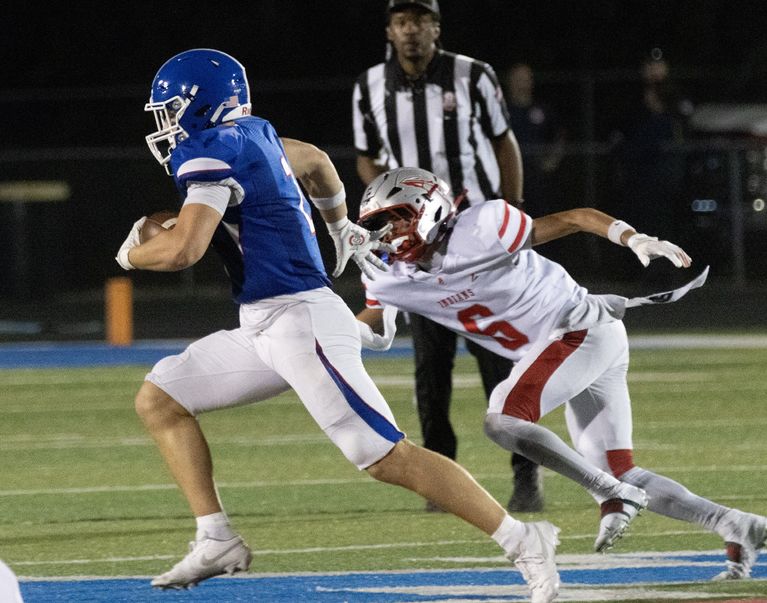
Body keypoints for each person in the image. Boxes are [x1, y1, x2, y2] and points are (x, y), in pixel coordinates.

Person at [114, 49, 562, 602]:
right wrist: (340, 223)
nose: (167, 123)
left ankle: (525, 540)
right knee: (160, 399)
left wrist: (131, 254)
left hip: (300, 322)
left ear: (201, 104)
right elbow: (316, 161)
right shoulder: (255, 133)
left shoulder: (209, 150)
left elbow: (184, 250)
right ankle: (216, 538)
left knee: (385, 456)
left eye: (171, 109)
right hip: (265, 323)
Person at [354, 167, 767, 580]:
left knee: (504, 419)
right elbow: (368, 320)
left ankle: (608, 493)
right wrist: (327, 342)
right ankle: (735, 524)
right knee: (621, 471)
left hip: (578, 328)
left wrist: (633, 238)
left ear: (428, 209)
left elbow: (575, 218)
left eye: (395, 219)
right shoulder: (390, 277)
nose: (387, 234)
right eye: (379, 225)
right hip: (577, 343)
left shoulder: (482, 226)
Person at [352, 0, 544, 513]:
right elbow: (366, 155)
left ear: (436, 28)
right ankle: (443, 482)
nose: (410, 30)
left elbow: (504, 141)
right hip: (419, 247)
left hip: (474, 237)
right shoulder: (369, 86)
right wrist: (389, 205)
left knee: (499, 359)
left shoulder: (472, 75)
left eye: (420, 21)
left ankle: (526, 472)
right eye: (401, 22)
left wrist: (512, 208)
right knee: (430, 369)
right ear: (389, 31)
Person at [607, 48, 694, 290]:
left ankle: (671, 272)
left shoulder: (675, 97)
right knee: (643, 225)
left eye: (659, 65)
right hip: (640, 177)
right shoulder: (633, 99)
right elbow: (621, 134)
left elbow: (684, 126)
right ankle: (646, 273)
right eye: (650, 66)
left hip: (670, 176)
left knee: (669, 225)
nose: (654, 71)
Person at [504, 62, 566, 216]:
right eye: (518, 78)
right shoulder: (501, 110)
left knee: (541, 216)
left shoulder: (543, 109)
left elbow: (559, 135)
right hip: (509, 175)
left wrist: (552, 160)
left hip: (538, 176)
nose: (522, 83)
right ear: (510, 81)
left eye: (526, 78)